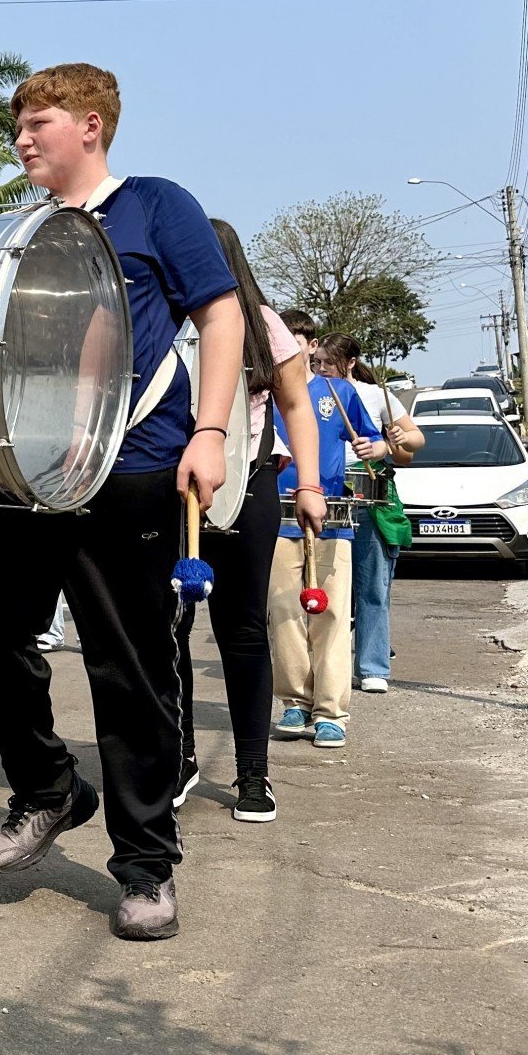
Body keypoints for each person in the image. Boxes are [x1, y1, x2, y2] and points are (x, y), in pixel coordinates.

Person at [0, 63, 265, 940]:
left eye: (39, 123)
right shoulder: (21, 231)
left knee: (128, 667)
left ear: (93, 125)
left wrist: (209, 432)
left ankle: (145, 864)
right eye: (19, 125)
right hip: (21, 475)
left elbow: (221, 316)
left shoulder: (154, 206)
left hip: (131, 462)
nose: (22, 138)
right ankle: (50, 785)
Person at [170, 221, 321, 825]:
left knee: (242, 633)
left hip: (249, 487)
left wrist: (308, 485)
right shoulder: (161, 319)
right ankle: (179, 757)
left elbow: (296, 406)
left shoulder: (261, 323)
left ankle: (254, 774)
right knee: (167, 630)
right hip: (171, 493)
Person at [271, 354, 383, 749]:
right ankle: (295, 703)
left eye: (295, 345)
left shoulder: (338, 391)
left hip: (332, 515)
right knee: (284, 615)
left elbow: (377, 440)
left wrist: (375, 448)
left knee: (332, 614)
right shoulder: (264, 393)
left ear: (311, 346)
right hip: (277, 519)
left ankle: (331, 713)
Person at [317, 333, 421, 696]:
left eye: (329, 363)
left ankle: (373, 665)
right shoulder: (309, 391)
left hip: (365, 494)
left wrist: (388, 442)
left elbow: (414, 442)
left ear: (348, 363)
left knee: (372, 584)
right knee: (323, 584)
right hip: (323, 491)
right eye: (317, 362)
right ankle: (323, 664)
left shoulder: (374, 395)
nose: (321, 369)